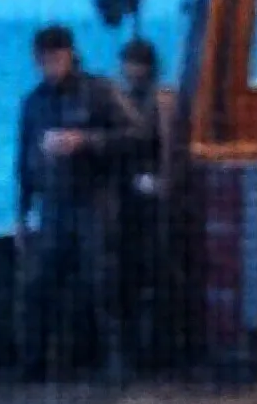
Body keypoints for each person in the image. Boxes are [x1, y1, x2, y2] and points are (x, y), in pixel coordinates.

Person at [15, 24, 136, 382]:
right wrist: (22, 214)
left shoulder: (99, 92)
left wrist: (85, 141)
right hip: (54, 206)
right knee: (40, 284)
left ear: (70, 55)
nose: (49, 66)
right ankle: (34, 365)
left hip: (94, 202)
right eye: (42, 60)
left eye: (55, 58)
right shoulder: (34, 103)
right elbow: (23, 161)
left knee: (104, 283)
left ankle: (116, 364)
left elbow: (135, 135)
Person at [115, 36, 181, 366]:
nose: (130, 70)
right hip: (128, 194)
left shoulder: (160, 99)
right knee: (132, 270)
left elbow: (167, 144)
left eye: (135, 63)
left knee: (156, 269)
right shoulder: (124, 98)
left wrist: (164, 182)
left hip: (152, 192)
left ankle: (158, 349)